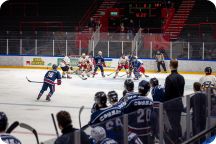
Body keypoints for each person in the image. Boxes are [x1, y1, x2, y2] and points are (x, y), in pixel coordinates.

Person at [163, 59, 185, 144]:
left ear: (170, 66)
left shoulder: (169, 78)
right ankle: (179, 139)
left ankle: (174, 140)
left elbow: (167, 94)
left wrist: (164, 105)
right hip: (179, 103)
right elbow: (182, 92)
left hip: (171, 105)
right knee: (177, 123)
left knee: (172, 124)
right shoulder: (181, 77)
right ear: (177, 66)